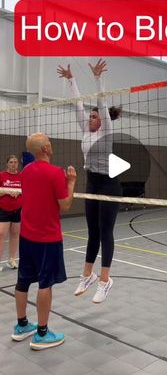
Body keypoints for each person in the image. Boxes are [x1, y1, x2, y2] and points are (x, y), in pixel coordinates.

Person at [57, 59, 122, 304]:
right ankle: (87, 275)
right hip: (91, 184)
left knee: (106, 232)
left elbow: (101, 103)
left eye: (95, 116)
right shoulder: (86, 131)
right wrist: (71, 80)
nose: (90, 118)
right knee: (92, 232)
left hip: (109, 185)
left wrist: (97, 78)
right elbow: (78, 105)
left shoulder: (106, 132)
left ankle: (105, 280)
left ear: (102, 120)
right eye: (90, 116)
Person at [11, 133, 76, 350]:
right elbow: (65, 205)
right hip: (47, 238)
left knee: (23, 280)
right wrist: (72, 182)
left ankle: (21, 326)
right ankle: (42, 333)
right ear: (46, 148)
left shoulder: (26, 171)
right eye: (50, 142)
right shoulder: (55, 173)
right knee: (45, 283)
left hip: (27, 236)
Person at [0, 155, 22, 271]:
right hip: (3, 210)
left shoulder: (21, 176)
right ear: (7, 163)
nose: (13, 164)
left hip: (17, 210)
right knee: (1, 235)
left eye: (15, 162)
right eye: (11, 162)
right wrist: (7, 191)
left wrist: (19, 193)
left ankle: (11, 259)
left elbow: (26, 191)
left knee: (15, 235)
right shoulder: (2, 176)